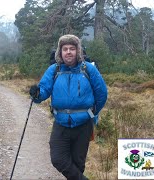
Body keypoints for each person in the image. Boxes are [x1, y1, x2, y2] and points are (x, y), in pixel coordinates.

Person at [29, 34, 108, 180]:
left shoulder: (88, 69)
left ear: (78, 51)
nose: (69, 52)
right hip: (61, 123)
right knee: (58, 159)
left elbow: (102, 93)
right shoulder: (54, 69)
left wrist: (92, 113)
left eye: (72, 48)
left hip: (84, 124)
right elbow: (44, 91)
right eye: (65, 49)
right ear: (60, 52)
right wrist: (37, 93)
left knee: (78, 164)